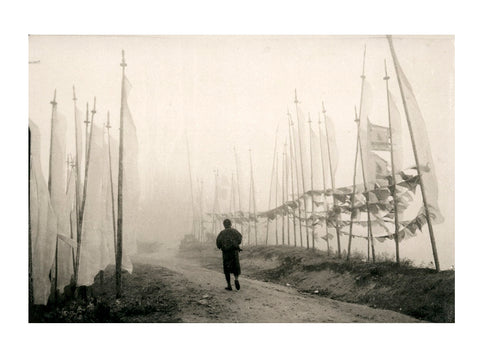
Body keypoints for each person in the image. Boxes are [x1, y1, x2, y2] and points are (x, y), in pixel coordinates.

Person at [216, 219, 242, 291]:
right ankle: (236, 279)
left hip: (226, 253)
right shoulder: (235, 231)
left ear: (224, 225)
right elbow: (240, 239)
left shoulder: (222, 233)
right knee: (235, 266)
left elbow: (218, 243)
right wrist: (236, 244)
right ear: (230, 224)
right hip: (234, 252)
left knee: (226, 269)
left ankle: (229, 285)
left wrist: (221, 246)